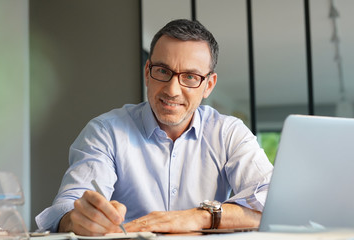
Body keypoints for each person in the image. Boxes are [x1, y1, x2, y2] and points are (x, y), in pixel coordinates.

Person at [36, 19, 273, 236]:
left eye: (190, 77)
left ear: (208, 85)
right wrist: (78, 219)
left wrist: (195, 218)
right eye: (162, 71)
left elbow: (270, 202)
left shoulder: (229, 132)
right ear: (147, 73)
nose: (172, 90)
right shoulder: (105, 131)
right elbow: (68, 207)